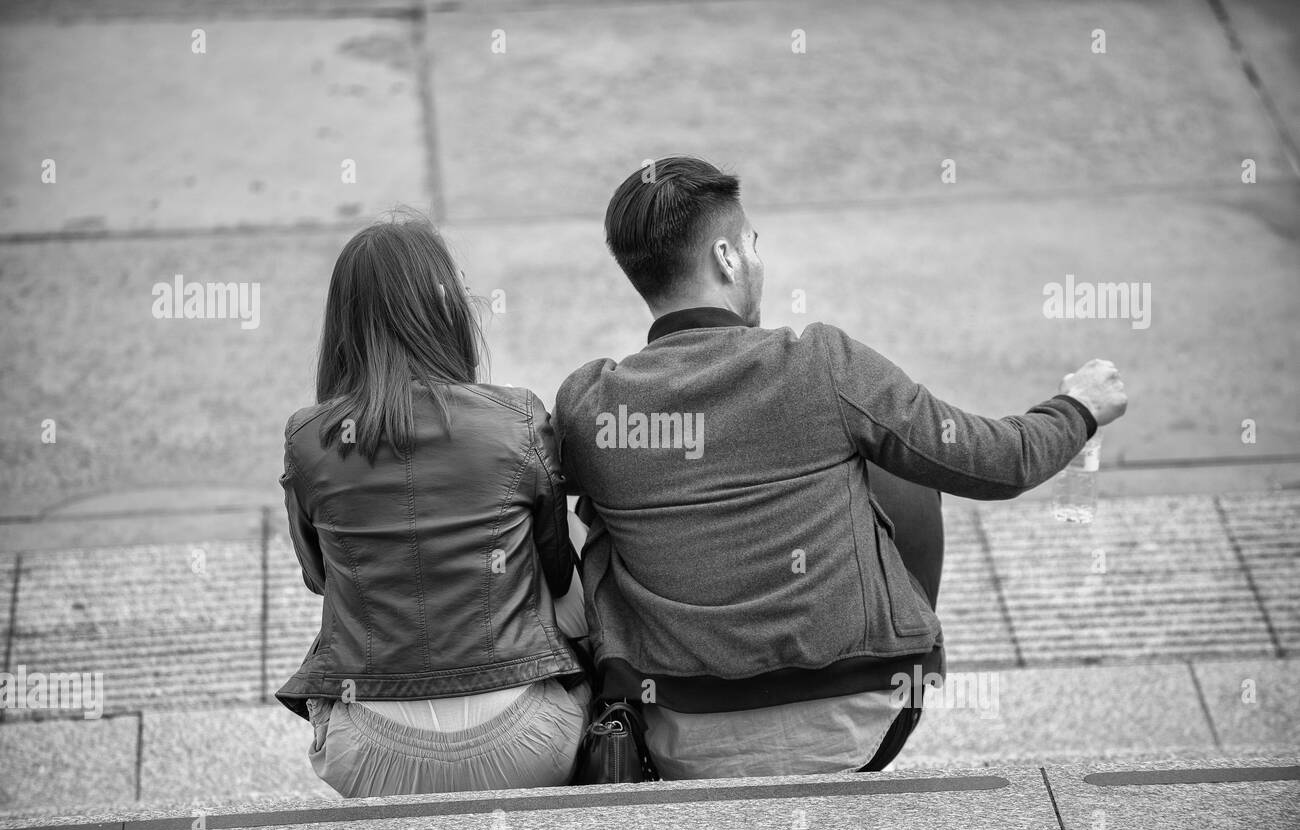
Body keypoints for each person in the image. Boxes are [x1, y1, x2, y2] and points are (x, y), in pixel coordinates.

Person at [554, 156, 1128, 778]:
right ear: (725, 258)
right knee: (899, 465)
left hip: (675, 737)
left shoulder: (593, 406)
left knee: (596, 514)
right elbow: (997, 463)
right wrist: (1079, 408)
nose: (757, 262)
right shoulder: (823, 364)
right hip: (865, 719)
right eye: (752, 245)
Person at [276, 212, 590, 797]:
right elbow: (556, 568)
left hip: (370, 753)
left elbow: (320, 578)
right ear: (449, 313)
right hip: (526, 744)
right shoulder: (516, 418)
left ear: (342, 326)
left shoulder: (309, 438)